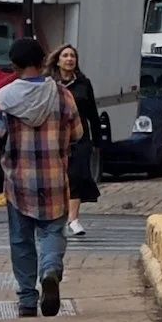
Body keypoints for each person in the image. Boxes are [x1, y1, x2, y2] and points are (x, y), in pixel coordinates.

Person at [0, 36, 80, 318]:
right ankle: (50, 270)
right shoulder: (63, 95)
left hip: (18, 181)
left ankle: (27, 299)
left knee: (21, 239)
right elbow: (77, 134)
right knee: (53, 231)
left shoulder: (3, 98)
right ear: (42, 62)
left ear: (14, 65)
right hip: (53, 178)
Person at [49, 43, 101, 236]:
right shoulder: (49, 84)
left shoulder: (83, 83)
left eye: (73, 56)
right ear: (58, 60)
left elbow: (93, 112)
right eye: (65, 56)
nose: (69, 59)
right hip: (55, 137)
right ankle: (56, 216)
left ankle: (73, 219)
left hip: (80, 136)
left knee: (77, 176)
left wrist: (97, 140)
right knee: (57, 177)